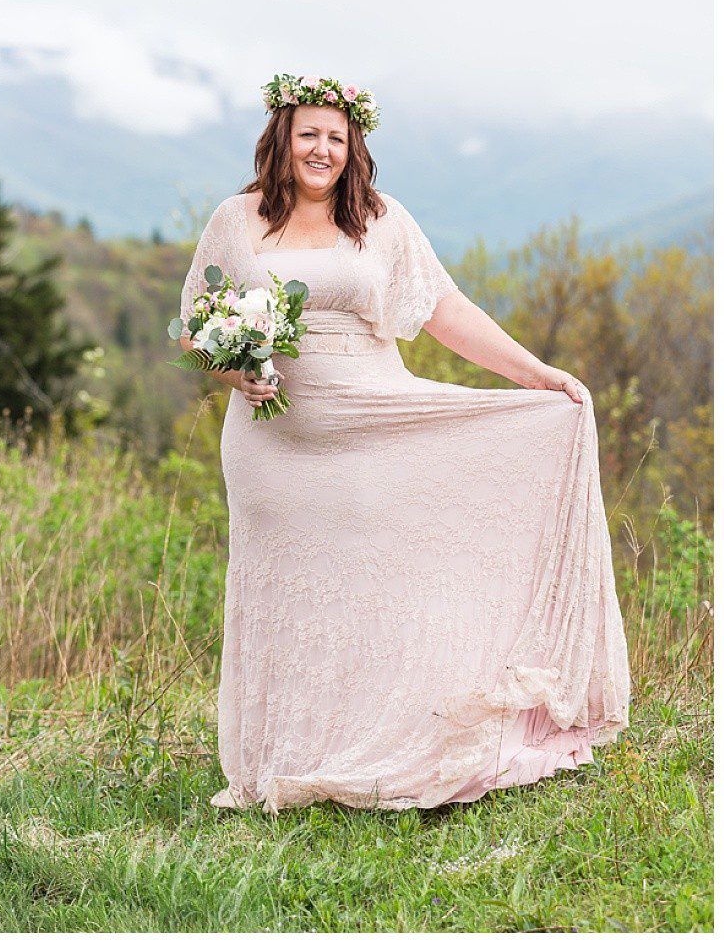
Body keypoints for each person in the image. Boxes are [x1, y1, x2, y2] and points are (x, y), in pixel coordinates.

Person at [178, 73, 628, 813]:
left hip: (376, 421)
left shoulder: (380, 220)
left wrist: (536, 372)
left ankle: (392, 743)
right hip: (272, 445)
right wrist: (234, 370)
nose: (322, 149)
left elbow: (446, 310)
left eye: (336, 137)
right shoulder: (236, 219)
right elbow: (198, 325)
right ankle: (289, 759)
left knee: (378, 582)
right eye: (308, 134)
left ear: (353, 146)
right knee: (289, 590)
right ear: (280, 140)